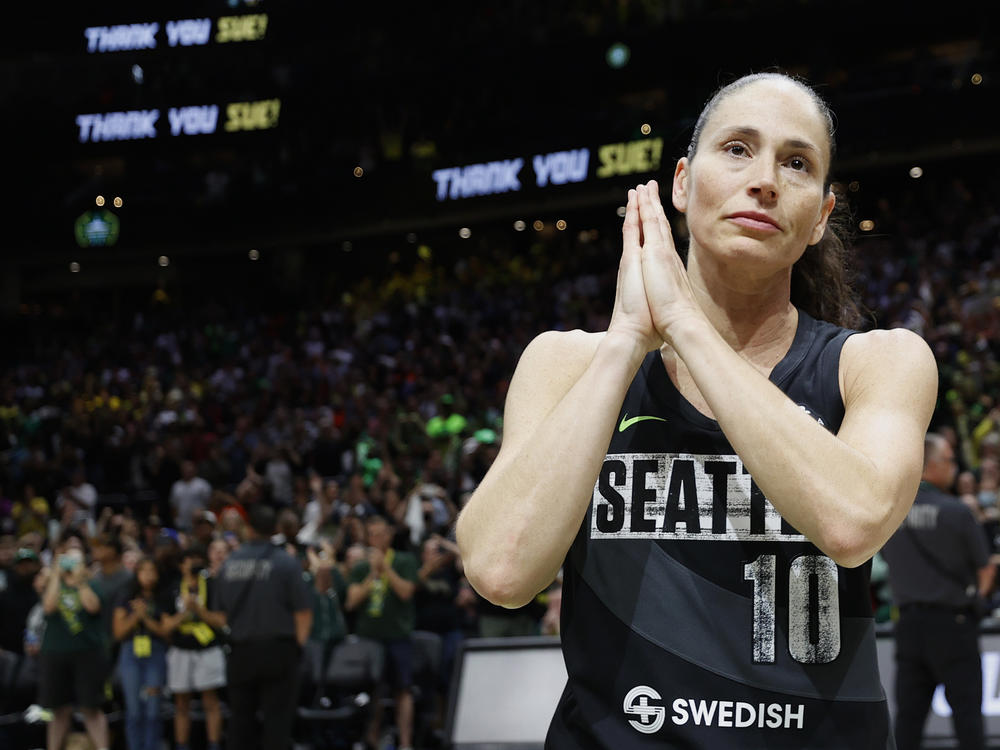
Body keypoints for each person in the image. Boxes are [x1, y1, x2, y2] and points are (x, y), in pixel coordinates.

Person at [456, 71, 938, 749]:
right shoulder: (567, 362)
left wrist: (684, 323)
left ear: (820, 218)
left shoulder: (879, 362)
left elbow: (852, 522)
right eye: (737, 148)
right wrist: (627, 342)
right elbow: (501, 572)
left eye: (796, 163)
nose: (765, 178)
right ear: (681, 184)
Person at [881, 433, 995, 750]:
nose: (953, 466)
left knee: (908, 722)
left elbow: (885, 560)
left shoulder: (892, 513)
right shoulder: (957, 512)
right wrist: (977, 598)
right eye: (948, 459)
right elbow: (986, 568)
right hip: (954, 624)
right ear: (929, 465)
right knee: (968, 718)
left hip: (909, 626)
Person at [213, 503, 313, 750]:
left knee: (240, 723)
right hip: (279, 650)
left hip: (240, 651)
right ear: (275, 529)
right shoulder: (286, 563)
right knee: (277, 724)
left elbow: (219, 616)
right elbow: (304, 613)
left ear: (248, 529)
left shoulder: (229, 564)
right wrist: (295, 647)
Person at [346, 515, 419, 750]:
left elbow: (406, 592)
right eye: (372, 534)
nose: (376, 539)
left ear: (389, 535)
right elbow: (351, 602)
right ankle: (372, 740)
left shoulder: (405, 561)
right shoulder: (360, 567)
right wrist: (372, 574)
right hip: (369, 637)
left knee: (403, 689)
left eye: (380, 533)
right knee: (372, 691)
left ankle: (405, 743)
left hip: (398, 635)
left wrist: (385, 567)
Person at [39, 533, 110, 750]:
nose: (71, 564)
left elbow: (92, 606)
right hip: (55, 652)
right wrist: (56, 576)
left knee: (91, 709)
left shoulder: (93, 583)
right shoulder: (53, 581)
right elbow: (48, 607)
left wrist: (79, 582)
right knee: (58, 709)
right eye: (67, 559)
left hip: (87, 653)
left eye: (75, 560)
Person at [164, 546, 227, 750]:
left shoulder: (213, 584)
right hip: (181, 649)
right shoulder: (173, 587)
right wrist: (184, 613)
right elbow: (165, 626)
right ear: (181, 565)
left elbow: (221, 621)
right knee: (181, 703)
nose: (193, 564)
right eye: (188, 560)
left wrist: (197, 609)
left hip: (208, 648)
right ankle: (182, 746)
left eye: (196, 559)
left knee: (211, 701)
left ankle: (214, 745)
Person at [112, 556, 172, 750]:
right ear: (136, 573)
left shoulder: (162, 596)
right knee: (134, 709)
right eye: (143, 571)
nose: (148, 575)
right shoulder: (125, 596)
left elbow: (166, 631)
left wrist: (145, 617)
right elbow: (119, 632)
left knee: (153, 710)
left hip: (155, 652)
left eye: (152, 570)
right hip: (131, 653)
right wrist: (135, 616)